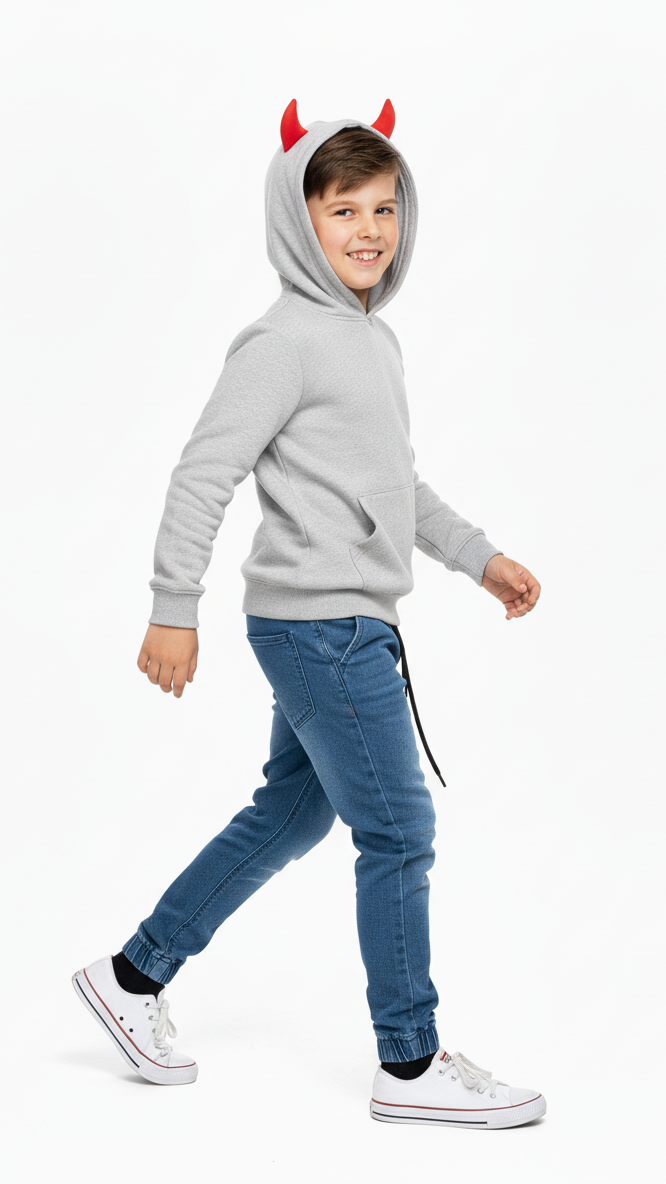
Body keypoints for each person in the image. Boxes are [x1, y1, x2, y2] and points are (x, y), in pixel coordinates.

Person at [72, 98, 545, 1129]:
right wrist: (172, 605)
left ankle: (132, 976)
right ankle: (409, 1063)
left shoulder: (374, 341)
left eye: (385, 207)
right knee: (399, 827)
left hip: (350, 622)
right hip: (319, 628)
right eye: (343, 210)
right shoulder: (283, 340)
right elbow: (204, 472)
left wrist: (480, 558)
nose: (370, 230)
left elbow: (398, 487)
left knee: (294, 812)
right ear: (299, 219)